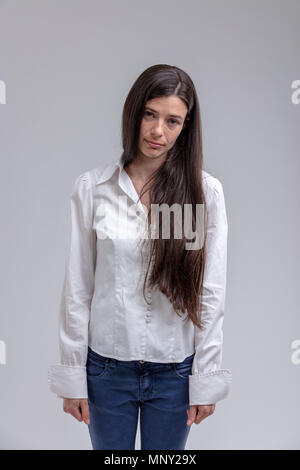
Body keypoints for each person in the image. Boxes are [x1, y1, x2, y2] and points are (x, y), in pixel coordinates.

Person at [48, 64, 232, 450]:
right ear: (134, 111)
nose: (157, 131)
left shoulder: (205, 194)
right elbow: (78, 289)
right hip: (106, 372)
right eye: (150, 114)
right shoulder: (92, 189)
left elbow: (210, 293)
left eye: (172, 121)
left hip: (174, 375)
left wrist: (206, 376)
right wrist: (71, 376)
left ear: (186, 128)